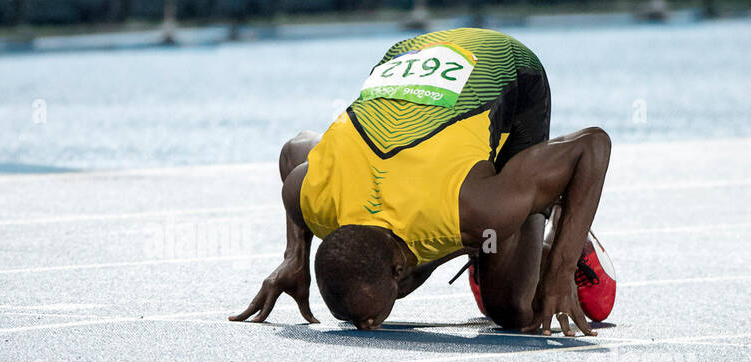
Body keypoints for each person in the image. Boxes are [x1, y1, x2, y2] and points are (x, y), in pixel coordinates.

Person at [230, 27, 614, 337]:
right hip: (409, 53)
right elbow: (293, 150)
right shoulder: (310, 195)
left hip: (505, 67)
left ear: (398, 274)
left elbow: (592, 146)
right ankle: (490, 246)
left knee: (516, 311)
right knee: (465, 235)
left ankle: (554, 211)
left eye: (369, 317)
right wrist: (294, 258)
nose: (368, 325)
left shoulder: (479, 208)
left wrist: (561, 270)